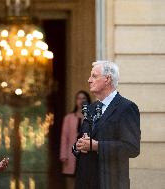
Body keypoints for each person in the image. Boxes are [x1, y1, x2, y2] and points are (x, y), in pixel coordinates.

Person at [73, 61, 140, 189]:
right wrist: (77, 147)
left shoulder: (126, 108)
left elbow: (132, 148)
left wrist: (97, 146)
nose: (89, 80)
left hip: (110, 183)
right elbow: (83, 141)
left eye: (94, 76)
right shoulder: (91, 108)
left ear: (107, 79)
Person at [60, 90, 91, 189]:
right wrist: (63, 155)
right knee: (71, 182)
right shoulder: (69, 118)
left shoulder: (92, 117)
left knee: (87, 182)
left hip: (87, 154)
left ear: (88, 101)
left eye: (83, 98)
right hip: (71, 154)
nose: (81, 101)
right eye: (78, 98)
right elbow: (64, 137)